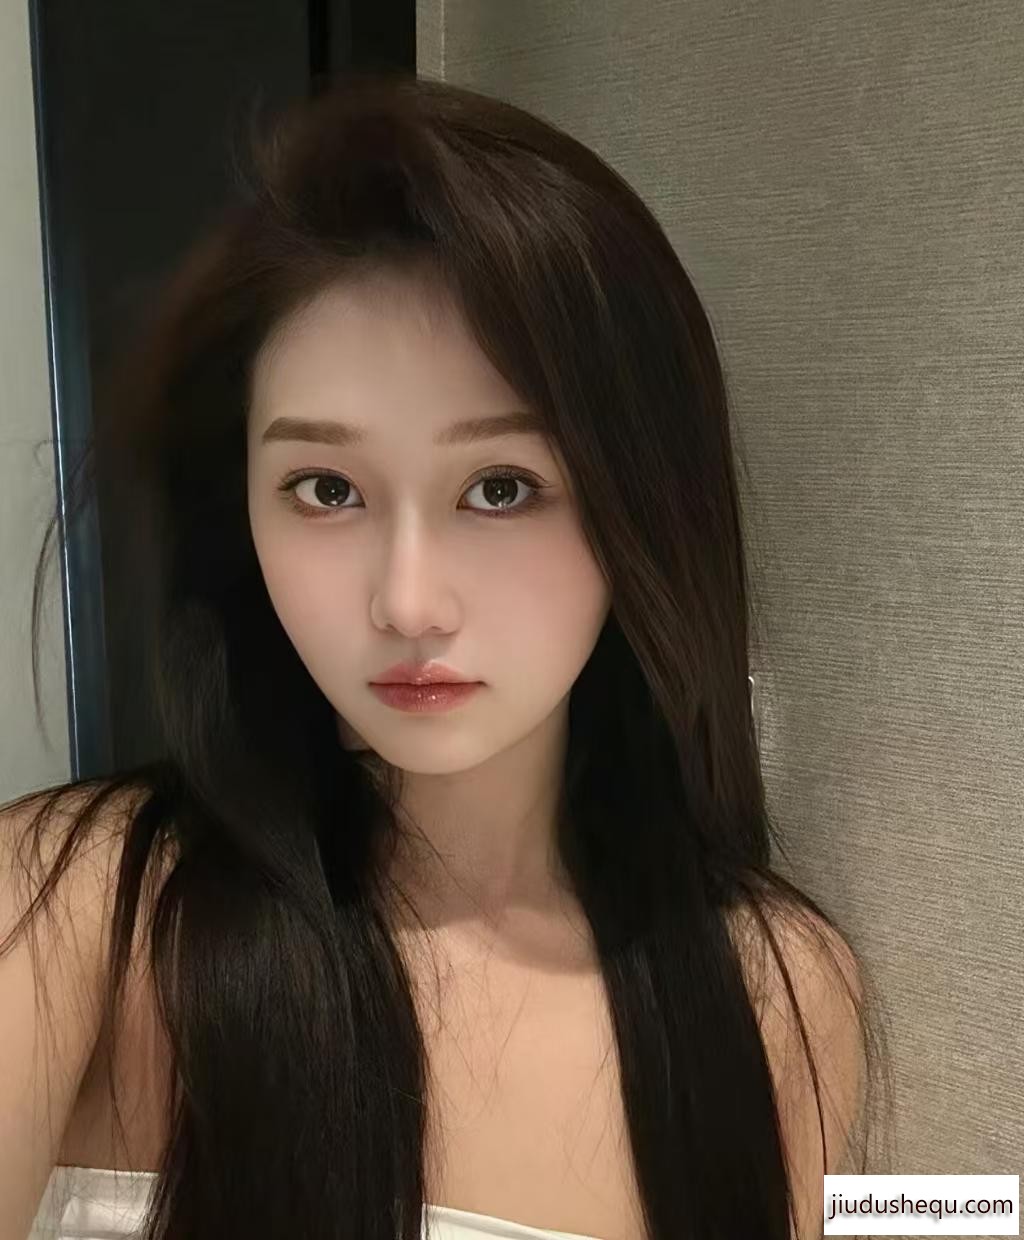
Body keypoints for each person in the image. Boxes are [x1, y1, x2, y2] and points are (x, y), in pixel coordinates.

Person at [0, 72, 887, 1240]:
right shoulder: (71, 910)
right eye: (326, 489)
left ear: (641, 507)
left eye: (501, 487)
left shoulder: (776, 994)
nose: (408, 602)